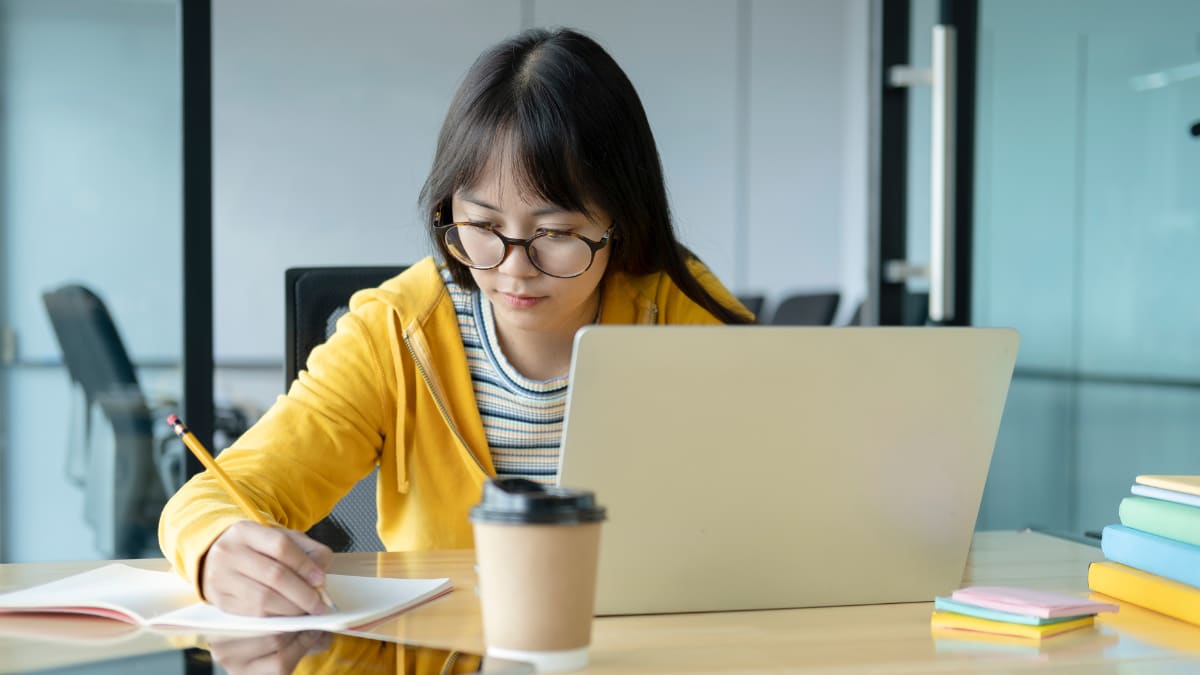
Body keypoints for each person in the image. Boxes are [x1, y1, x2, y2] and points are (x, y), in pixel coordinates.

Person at [159, 27, 752, 618]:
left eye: (557, 234)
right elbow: (221, 493)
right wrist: (216, 548)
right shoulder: (395, 331)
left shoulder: (675, 310)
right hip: (443, 649)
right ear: (447, 209)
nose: (515, 269)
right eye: (484, 226)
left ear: (621, 222)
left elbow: (788, 486)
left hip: (646, 642)